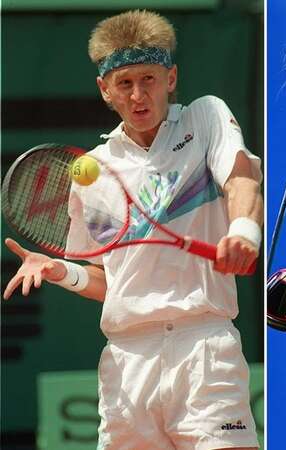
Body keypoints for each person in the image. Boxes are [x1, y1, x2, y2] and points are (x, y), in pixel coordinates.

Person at [2, 10, 263, 450]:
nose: (139, 94)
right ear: (105, 89)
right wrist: (60, 271)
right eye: (125, 83)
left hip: (203, 350)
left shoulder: (205, 119)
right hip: (127, 362)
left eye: (150, 79)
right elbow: (110, 282)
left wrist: (243, 232)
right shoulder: (93, 172)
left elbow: (241, 177)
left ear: (172, 78)